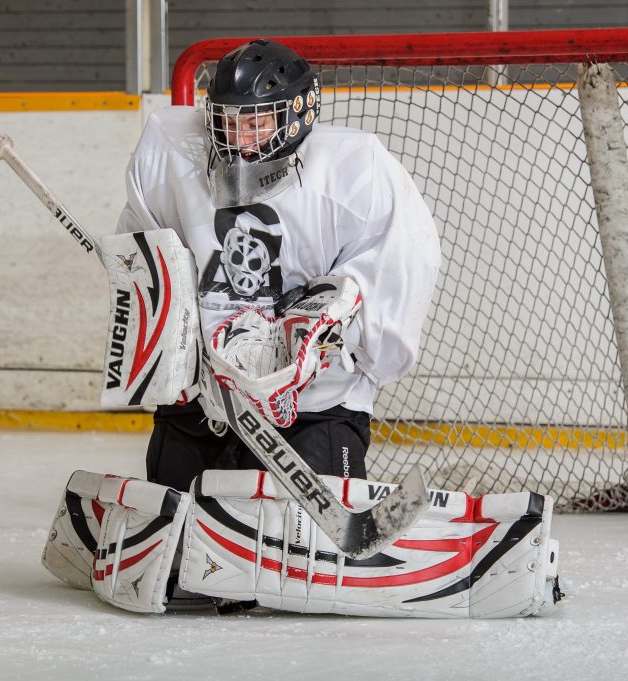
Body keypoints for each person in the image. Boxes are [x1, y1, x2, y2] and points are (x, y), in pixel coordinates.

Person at [115, 39, 440, 493]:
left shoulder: (357, 172)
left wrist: (326, 341)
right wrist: (178, 335)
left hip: (313, 409)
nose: (239, 143)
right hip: (203, 404)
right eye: (227, 124)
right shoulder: (166, 157)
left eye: (255, 124)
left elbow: (402, 271)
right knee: (179, 540)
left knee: (303, 552)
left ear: (298, 115)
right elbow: (145, 265)